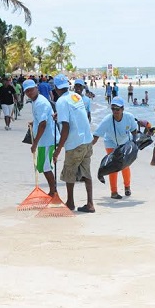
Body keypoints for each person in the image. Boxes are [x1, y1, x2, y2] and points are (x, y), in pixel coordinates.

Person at [52, 74, 95, 213]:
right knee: (86, 172)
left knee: (69, 172)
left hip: (75, 143)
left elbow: (66, 127)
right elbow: (75, 114)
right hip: (88, 140)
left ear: (56, 88)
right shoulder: (76, 96)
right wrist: (59, 114)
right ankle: (90, 204)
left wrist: (58, 150)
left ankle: (70, 203)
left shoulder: (61, 101)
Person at [92, 97, 138, 199]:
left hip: (125, 142)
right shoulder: (107, 120)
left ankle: (127, 186)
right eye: (113, 109)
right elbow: (96, 135)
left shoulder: (129, 117)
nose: (115, 111)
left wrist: (134, 144)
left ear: (123, 109)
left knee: (125, 166)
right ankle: (114, 192)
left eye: (118, 109)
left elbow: (134, 130)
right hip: (111, 143)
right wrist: (88, 147)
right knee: (113, 167)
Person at [23, 79, 58, 196]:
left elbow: (43, 124)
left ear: (36, 88)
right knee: (43, 166)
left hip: (48, 139)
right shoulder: (35, 101)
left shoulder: (40, 103)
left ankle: (53, 192)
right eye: (27, 91)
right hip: (44, 139)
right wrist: (34, 122)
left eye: (31, 90)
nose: (29, 92)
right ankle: (53, 190)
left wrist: (35, 144)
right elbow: (41, 119)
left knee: (45, 166)